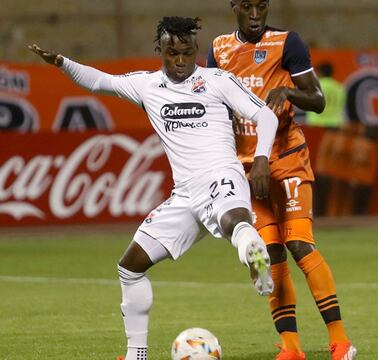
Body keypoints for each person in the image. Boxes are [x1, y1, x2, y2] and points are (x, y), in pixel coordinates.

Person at [30, 16, 280, 360]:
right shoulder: (146, 86)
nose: (180, 61)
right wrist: (62, 63)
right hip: (185, 194)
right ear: (158, 50)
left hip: (222, 174)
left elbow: (266, 116)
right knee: (130, 267)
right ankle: (137, 354)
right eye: (172, 53)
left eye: (187, 53)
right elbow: (100, 81)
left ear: (196, 51)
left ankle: (252, 248)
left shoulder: (217, 80)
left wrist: (262, 158)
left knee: (233, 219)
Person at [207, 1, 356, 359]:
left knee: (299, 244)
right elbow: (215, 106)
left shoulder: (288, 43)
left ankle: (340, 341)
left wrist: (289, 92)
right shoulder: (218, 49)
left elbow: (318, 100)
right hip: (246, 169)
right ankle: (291, 347)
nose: (256, 13)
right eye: (248, 6)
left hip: (287, 160)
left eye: (262, 6)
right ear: (234, 6)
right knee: (271, 255)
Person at [306, 62, 346, 128]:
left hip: (316, 124)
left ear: (319, 72)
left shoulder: (313, 86)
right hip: (335, 124)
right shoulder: (340, 88)